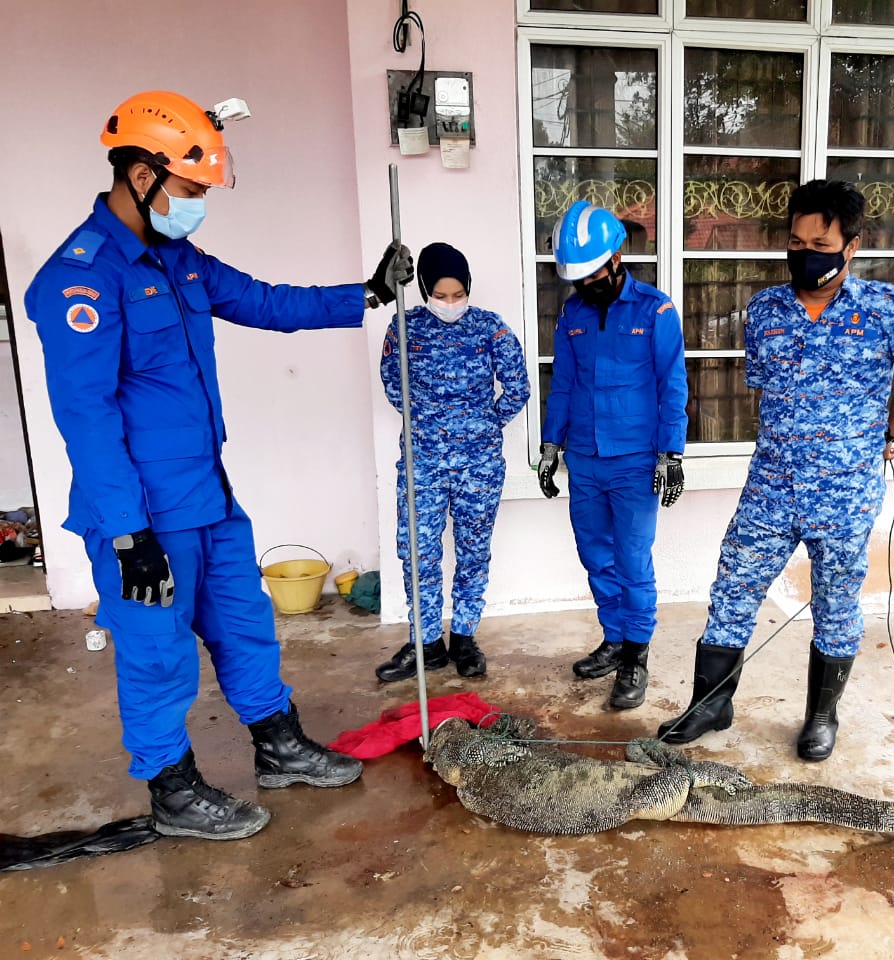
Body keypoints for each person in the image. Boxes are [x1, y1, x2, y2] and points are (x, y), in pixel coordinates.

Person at [23, 90, 415, 841]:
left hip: (208, 496)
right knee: (157, 654)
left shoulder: (180, 260)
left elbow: (265, 301)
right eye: (191, 190)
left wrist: (364, 294)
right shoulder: (81, 279)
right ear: (141, 174)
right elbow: (88, 417)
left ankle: (279, 747)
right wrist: (129, 535)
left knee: (245, 627)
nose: (197, 204)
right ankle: (172, 790)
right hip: (142, 513)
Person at [656, 178, 894, 761]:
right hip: (770, 485)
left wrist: (888, 432)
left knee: (835, 602)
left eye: (819, 241)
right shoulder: (766, 310)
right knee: (733, 589)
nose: (804, 252)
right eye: (795, 241)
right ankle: (711, 704)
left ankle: (822, 717)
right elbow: (770, 397)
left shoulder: (886, 309)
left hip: (845, 492)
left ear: (851, 246)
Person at [538, 200, 688, 710]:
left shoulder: (656, 310)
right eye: (576, 278)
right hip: (585, 456)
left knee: (631, 560)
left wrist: (672, 452)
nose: (585, 284)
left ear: (617, 256)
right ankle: (614, 637)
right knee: (594, 554)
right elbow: (564, 383)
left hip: (634, 461)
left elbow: (673, 385)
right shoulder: (574, 313)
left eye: (592, 272)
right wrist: (551, 443)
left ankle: (636, 657)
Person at [374, 242, 530, 683]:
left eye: (457, 294)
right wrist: (430, 422)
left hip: (478, 465)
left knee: (473, 550)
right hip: (422, 462)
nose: (449, 303)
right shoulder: (404, 327)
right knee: (417, 553)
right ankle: (426, 642)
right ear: (424, 288)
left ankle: (463, 636)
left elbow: (518, 386)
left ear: (468, 289)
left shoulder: (489, 328)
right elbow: (393, 385)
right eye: (439, 295)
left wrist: (483, 424)